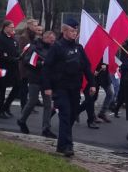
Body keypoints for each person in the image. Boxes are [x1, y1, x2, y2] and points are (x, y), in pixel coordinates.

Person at [41, 19, 96, 157]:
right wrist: (47, 86)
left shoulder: (79, 48)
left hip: (75, 87)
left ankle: (61, 145)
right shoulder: (57, 47)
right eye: (72, 30)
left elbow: (86, 66)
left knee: (72, 115)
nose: (74, 33)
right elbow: (47, 67)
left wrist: (92, 83)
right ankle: (68, 145)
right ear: (64, 31)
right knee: (65, 114)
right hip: (61, 87)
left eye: (76, 31)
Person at [0, 20, 22, 118]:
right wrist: (11, 58)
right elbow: (0, 54)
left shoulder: (13, 38)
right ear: (5, 28)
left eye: (13, 27)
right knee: (2, 89)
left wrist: (19, 55)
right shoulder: (0, 39)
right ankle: (0, 110)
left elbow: (16, 50)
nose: (13, 29)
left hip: (14, 67)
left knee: (18, 86)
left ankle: (7, 105)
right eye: (11, 27)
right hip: (4, 67)